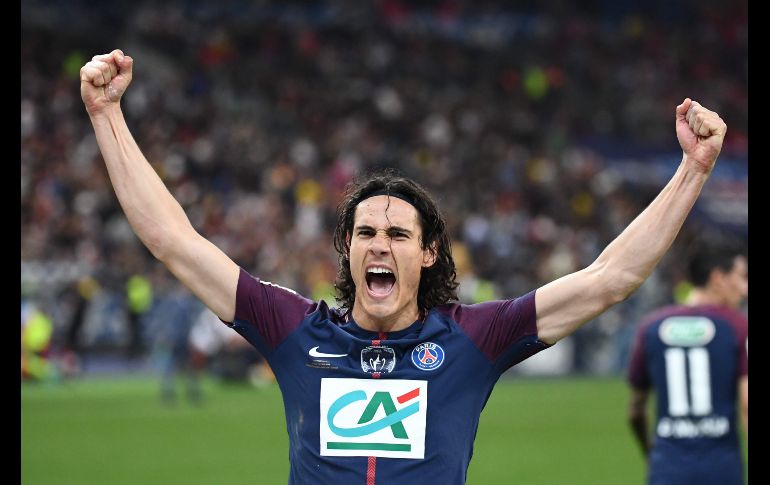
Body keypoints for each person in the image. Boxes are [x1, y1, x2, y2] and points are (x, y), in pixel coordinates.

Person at [80, 48, 727, 484]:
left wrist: (692, 171)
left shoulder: (476, 336)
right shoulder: (295, 328)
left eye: (396, 232)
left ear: (429, 251)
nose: (378, 244)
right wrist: (106, 114)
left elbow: (610, 277)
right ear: (346, 248)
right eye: (364, 232)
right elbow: (173, 240)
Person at [627, 241, 748, 485]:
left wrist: (649, 451)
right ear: (717, 278)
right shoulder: (737, 327)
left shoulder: (651, 328)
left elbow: (635, 411)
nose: (745, 289)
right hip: (721, 468)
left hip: (667, 468)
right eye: (741, 277)